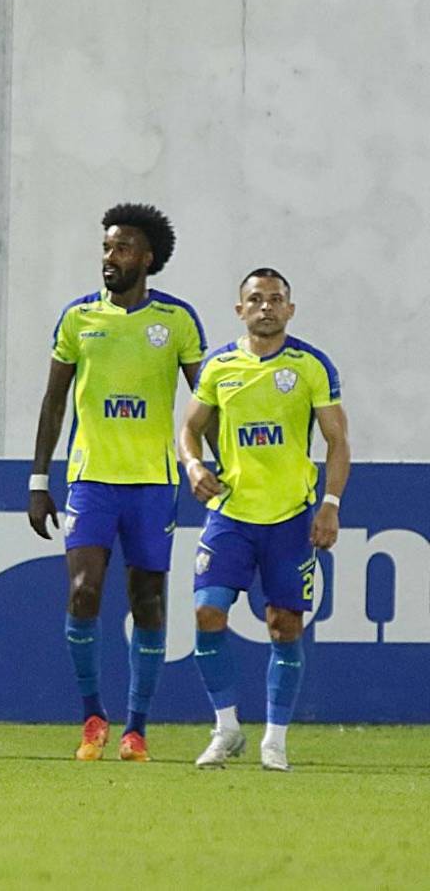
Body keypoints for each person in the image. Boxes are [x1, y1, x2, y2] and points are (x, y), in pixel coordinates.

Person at [28, 203, 207, 763]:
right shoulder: (79, 319)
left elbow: (207, 404)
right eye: (107, 247)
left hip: (153, 482)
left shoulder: (176, 321)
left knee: (148, 599)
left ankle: (137, 728)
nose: (110, 257)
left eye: (123, 248)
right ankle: (91, 717)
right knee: (83, 591)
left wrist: (215, 464)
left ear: (147, 258)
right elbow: (54, 401)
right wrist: (38, 479)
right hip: (91, 481)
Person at [179, 268, 350, 771]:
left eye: (276, 299)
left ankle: (274, 739)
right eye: (256, 299)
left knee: (284, 624)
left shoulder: (311, 366)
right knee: (207, 613)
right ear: (240, 310)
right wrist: (192, 465)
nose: (266, 307)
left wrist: (331, 504)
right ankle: (226, 727)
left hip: (289, 519)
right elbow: (188, 429)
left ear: (290, 309)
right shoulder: (219, 366)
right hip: (231, 513)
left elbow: (338, 441)